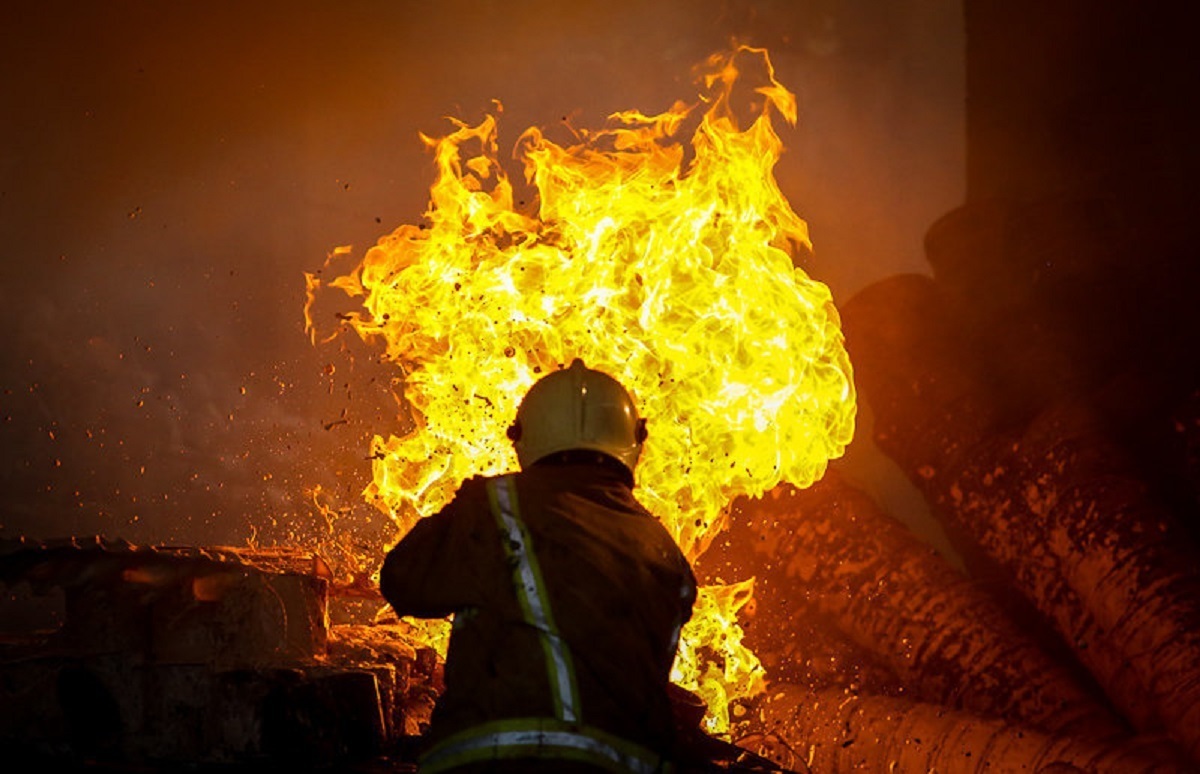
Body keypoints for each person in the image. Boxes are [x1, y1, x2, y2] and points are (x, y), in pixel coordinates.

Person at [380, 358, 697, 773]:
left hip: (493, 760)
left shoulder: (496, 505)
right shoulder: (666, 552)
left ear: (522, 438)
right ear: (635, 442)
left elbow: (404, 580)